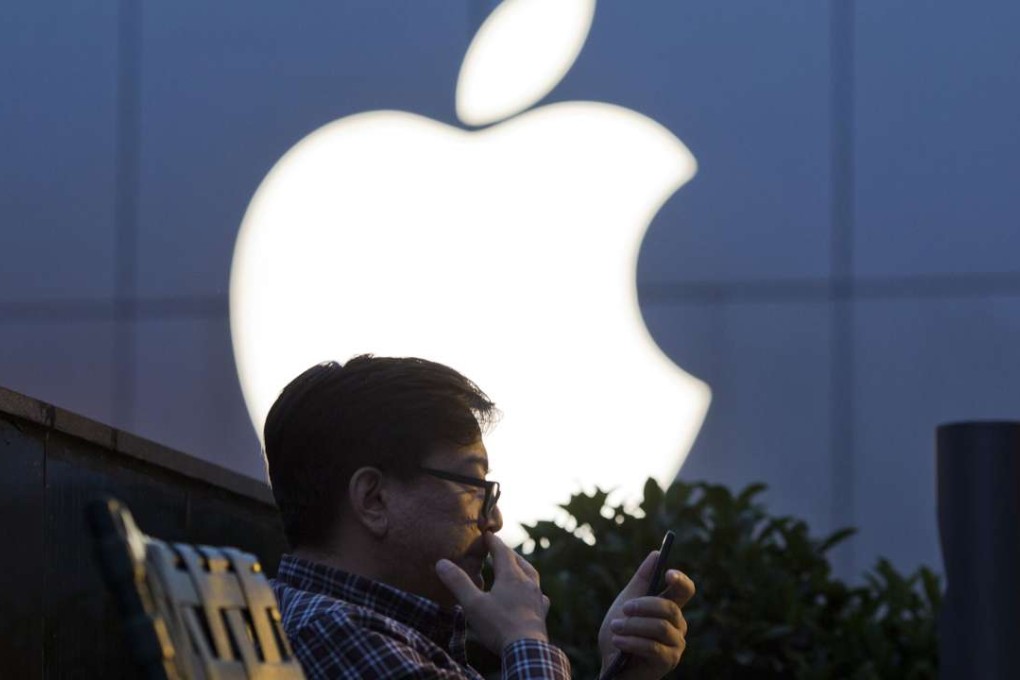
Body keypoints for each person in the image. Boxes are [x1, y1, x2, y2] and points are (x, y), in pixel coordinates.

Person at [265, 355, 695, 679]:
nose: (495, 520)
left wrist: (620, 673)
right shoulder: (338, 634)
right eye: (474, 485)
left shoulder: (368, 630)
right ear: (374, 500)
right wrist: (524, 636)